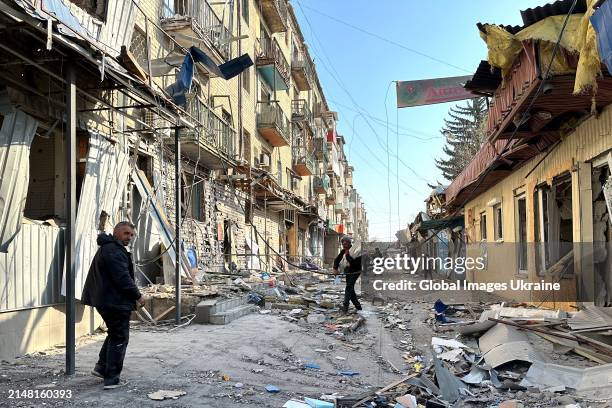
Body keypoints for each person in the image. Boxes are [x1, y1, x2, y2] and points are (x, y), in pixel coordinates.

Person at [82, 221, 144, 389]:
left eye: (131, 235)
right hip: (114, 302)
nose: (129, 238)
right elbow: (122, 278)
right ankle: (111, 379)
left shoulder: (109, 248)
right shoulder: (114, 251)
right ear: (116, 233)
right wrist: (138, 296)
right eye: (126, 234)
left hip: (107, 300)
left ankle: (101, 367)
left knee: (114, 334)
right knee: (120, 337)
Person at [333, 236, 362, 313]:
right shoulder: (344, 251)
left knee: (349, 287)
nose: (344, 246)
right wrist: (335, 268)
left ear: (349, 243)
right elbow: (337, 259)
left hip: (355, 271)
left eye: (345, 244)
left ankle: (345, 306)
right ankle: (358, 306)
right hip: (348, 271)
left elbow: (355, 264)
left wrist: (348, 256)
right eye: (343, 244)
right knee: (350, 289)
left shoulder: (357, 251)